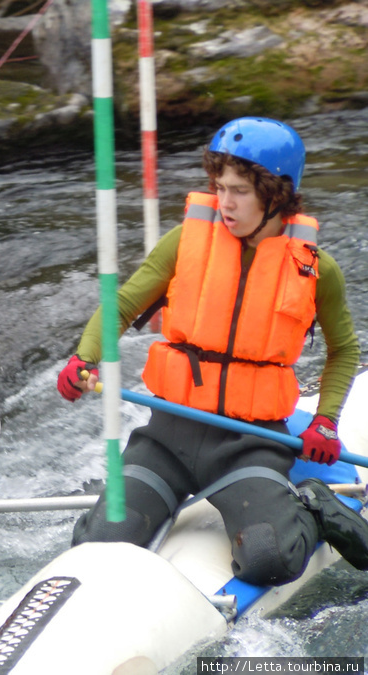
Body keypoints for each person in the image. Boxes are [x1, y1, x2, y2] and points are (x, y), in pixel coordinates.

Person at [57, 117, 368, 586]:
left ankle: (313, 503)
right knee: (98, 545)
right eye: (220, 187)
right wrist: (85, 356)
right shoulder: (184, 242)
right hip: (169, 435)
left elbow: (344, 349)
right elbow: (120, 304)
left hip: (251, 444)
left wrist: (325, 420)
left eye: (240, 190)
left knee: (270, 561)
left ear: (277, 193)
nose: (225, 201)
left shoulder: (317, 269)